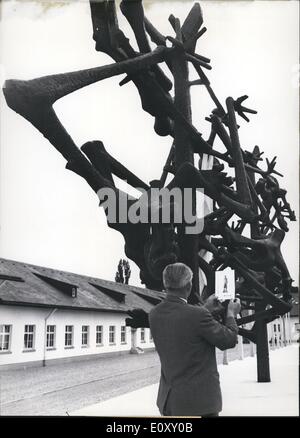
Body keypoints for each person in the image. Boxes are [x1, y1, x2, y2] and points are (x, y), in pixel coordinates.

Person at [149, 262, 241, 417]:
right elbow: (229, 340)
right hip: (200, 405)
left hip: (170, 403)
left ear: (165, 284)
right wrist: (231, 313)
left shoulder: (154, 314)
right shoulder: (198, 316)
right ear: (188, 287)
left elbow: (181, 323)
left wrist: (204, 309)